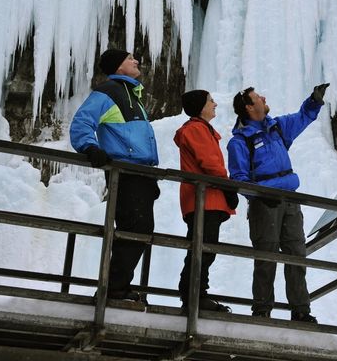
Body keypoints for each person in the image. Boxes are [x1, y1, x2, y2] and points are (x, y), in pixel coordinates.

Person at [227, 83, 329, 323]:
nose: (264, 97)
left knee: (297, 255)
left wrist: (314, 101)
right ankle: (262, 310)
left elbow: (302, 118)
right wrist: (260, 196)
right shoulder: (240, 142)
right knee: (266, 257)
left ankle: (301, 310)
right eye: (258, 97)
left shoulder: (277, 127)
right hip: (264, 206)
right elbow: (238, 179)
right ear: (250, 107)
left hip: (291, 201)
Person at [70, 48, 160, 302]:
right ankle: (114, 289)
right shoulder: (109, 92)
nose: (136, 61)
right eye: (130, 58)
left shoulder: (132, 96)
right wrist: (90, 147)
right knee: (135, 228)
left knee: (139, 229)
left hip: (140, 173)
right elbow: (83, 121)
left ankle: (117, 286)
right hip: (126, 172)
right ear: (118, 67)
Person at [174, 89, 238, 312]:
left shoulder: (200, 129)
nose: (215, 104)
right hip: (205, 198)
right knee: (203, 248)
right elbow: (210, 163)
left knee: (204, 247)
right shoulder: (197, 129)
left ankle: (195, 293)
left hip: (206, 198)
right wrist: (227, 186)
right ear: (201, 107)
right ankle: (195, 295)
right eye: (211, 101)